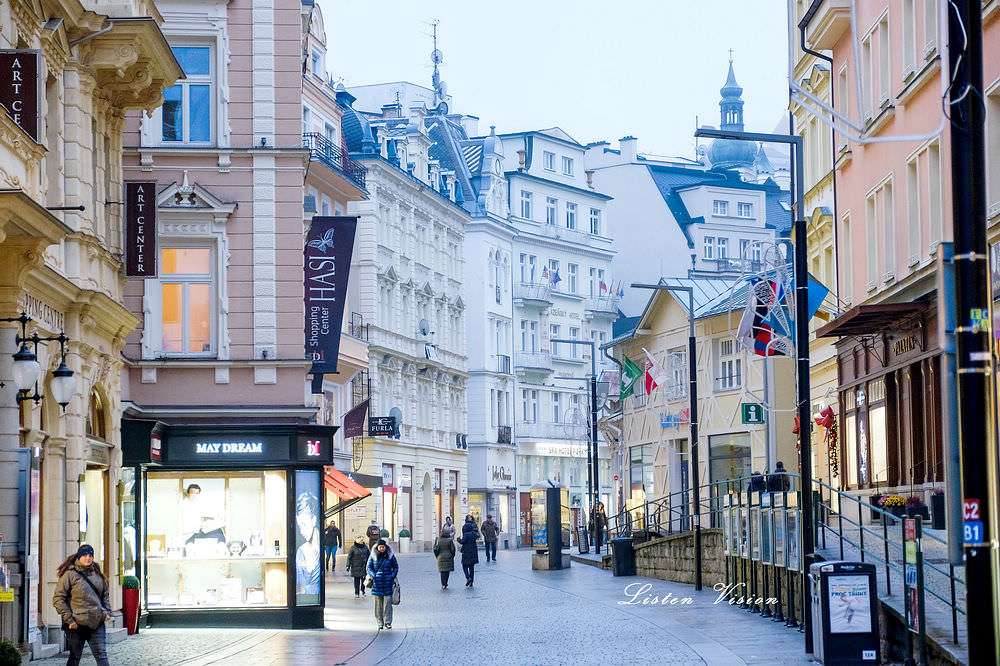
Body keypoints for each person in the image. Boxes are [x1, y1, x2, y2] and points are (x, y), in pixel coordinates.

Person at [53, 544, 111, 666]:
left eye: (90, 555)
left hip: (96, 622)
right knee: (75, 656)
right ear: (79, 557)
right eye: (85, 555)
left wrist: (106, 612)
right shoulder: (70, 574)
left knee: (101, 654)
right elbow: (58, 599)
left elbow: (105, 595)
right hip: (76, 624)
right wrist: (69, 619)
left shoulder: (97, 573)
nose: (88, 558)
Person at [366, 540, 398, 629]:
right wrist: (374, 575)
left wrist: (392, 575)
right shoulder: (373, 555)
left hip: (388, 583)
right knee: (378, 605)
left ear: (385, 547)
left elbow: (395, 566)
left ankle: (387, 622)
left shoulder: (390, 556)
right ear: (377, 547)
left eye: (383, 547)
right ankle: (379, 622)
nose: (381, 549)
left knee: (388, 604)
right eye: (380, 547)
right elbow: (368, 567)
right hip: (377, 583)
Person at [294, 491, 321, 596]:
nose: (302, 531)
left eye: (304, 524)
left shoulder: (318, 547)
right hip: (308, 597)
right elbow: (300, 584)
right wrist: (309, 569)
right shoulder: (302, 551)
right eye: (300, 526)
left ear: (313, 520)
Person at [456, 520, 480, 587]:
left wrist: (458, 539)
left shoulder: (466, 534)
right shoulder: (473, 534)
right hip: (473, 553)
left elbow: (462, 541)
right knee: (471, 568)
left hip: (466, 552)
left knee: (464, 566)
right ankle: (471, 582)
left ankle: (468, 577)